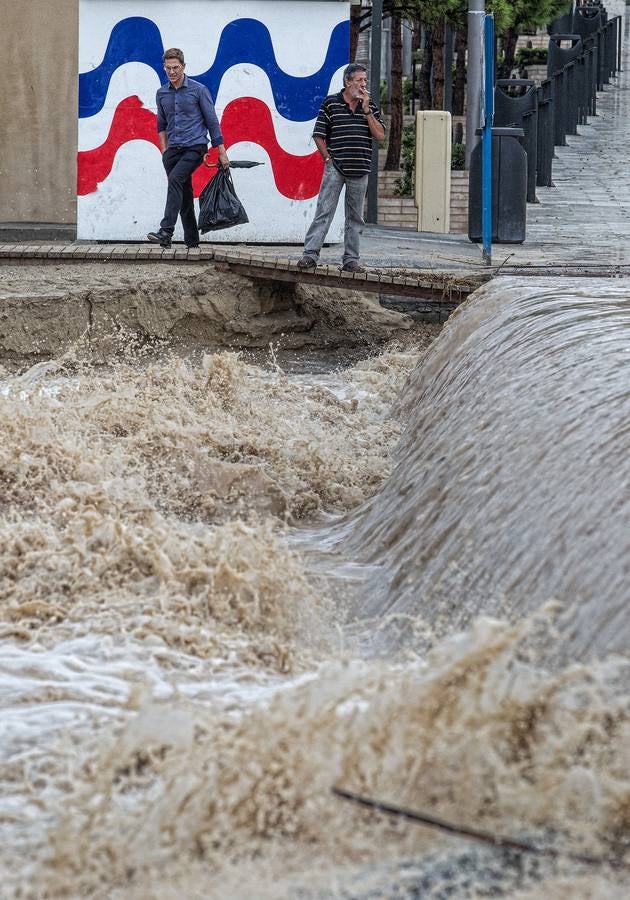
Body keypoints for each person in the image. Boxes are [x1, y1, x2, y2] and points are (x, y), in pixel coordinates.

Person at [297, 63, 385, 273]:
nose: (364, 84)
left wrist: (367, 111)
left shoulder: (370, 106)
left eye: (365, 80)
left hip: (360, 168)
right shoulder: (331, 103)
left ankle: (351, 260)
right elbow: (319, 134)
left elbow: (380, 135)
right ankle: (310, 255)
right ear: (348, 81)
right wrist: (327, 158)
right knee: (324, 211)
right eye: (359, 80)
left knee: (355, 217)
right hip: (335, 166)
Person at [147, 48, 229, 249]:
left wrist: (222, 152)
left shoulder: (198, 90)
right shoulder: (161, 93)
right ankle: (192, 241)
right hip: (172, 151)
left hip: (195, 147)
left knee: (175, 180)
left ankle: (166, 231)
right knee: (183, 195)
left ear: (184, 67)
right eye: (168, 68)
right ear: (164, 68)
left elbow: (212, 122)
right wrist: (164, 150)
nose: (172, 72)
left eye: (176, 67)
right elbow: (161, 124)